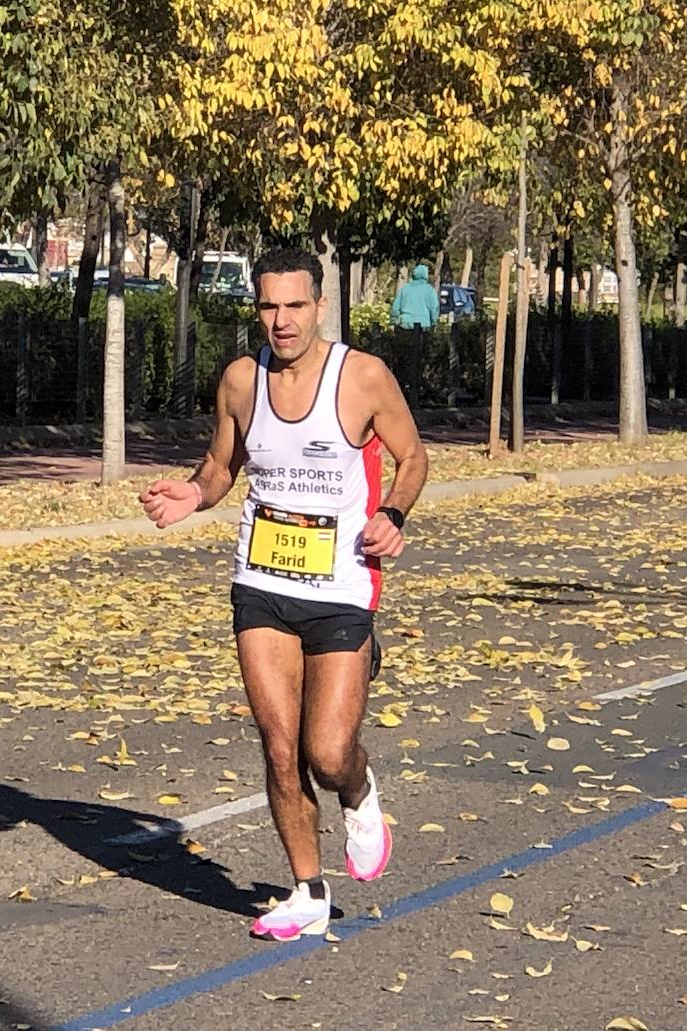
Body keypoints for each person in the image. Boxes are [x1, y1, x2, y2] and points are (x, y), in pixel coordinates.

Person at [139, 247, 428, 942]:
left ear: (318, 306)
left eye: (294, 305)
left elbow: (413, 456)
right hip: (261, 583)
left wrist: (392, 515)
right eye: (268, 306)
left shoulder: (362, 376)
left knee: (327, 752)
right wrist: (194, 492)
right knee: (278, 744)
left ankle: (359, 794)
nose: (281, 320)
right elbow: (220, 464)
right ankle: (307, 889)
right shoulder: (241, 379)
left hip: (341, 586)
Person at [390, 263, 439, 405]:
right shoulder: (429, 290)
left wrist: (394, 321)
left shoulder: (405, 288)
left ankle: (405, 385)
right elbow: (433, 308)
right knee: (420, 359)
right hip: (423, 327)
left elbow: (396, 307)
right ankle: (418, 387)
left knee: (405, 358)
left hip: (405, 326)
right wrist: (433, 323)